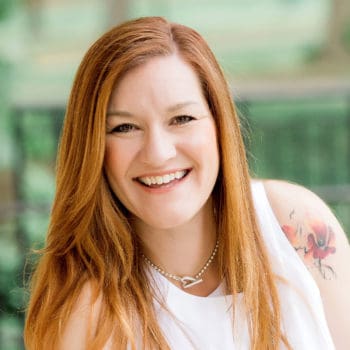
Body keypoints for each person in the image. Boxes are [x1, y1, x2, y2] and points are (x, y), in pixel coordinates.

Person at [24, 16, 350, 349]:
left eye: (182, 119)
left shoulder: (297, 226)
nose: (158, 153)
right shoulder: (86, 312)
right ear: (92, 147)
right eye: (124, 127)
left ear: (219, 124)